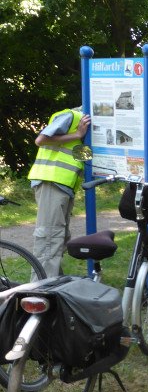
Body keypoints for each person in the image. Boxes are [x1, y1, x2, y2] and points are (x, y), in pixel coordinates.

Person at [28, 108, 91, 277]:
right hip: (51, 181)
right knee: (49, 237)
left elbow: (78, 155)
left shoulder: (88, 124)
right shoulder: (72, 117)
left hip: (64, 185)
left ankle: (54, 283)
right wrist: (77, 135)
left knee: (59, 237)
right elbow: (41, 140)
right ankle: (40, 290)